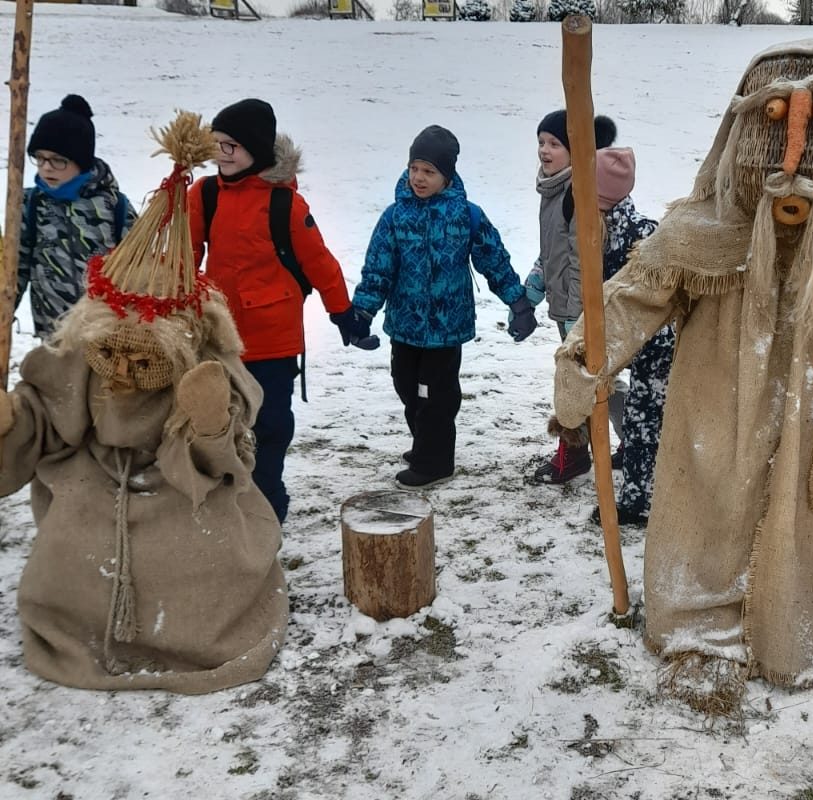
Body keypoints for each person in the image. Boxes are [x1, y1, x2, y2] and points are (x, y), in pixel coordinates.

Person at [554, 39, 813, 698]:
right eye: (774, 119)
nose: (795, 146)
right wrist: (585, 360)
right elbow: (632, 296)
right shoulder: (707, 225)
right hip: (718, 419)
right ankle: (702, 624)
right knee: (710, 518)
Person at [0, 112, 287, 693]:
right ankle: (77, 623)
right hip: (93, 475)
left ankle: (194, 631)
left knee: (205, 557)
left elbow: (231, 455)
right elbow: (45, 411)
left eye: (144, 360)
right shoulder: (82, 352)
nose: (126, 370)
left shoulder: (202, 364)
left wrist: (207, 422)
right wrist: (14, 419)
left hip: (176, 485)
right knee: (74, 544)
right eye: (115, 356)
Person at [188, 98, 369, 523]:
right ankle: (227, 491)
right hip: (218, 336)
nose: (220, 154)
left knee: (269, 424)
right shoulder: (205, 194)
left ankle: (268, 498)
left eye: (230, 146)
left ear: (256, 150)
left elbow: (319, 263)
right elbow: (187, 252)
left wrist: (344, 314)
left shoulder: (284, 204)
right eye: (216, 144)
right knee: (217, 420)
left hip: (272, 340)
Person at [349, 125, 536, 488]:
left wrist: (519, 303)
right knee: (406, 386)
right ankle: (425, 443)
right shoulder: (394, 216)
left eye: (429, 171)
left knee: (436, 395)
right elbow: (377, 270)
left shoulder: (467, 216)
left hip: (447, 327)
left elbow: (494, 260)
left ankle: (435, 462)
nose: (418, 177)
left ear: (446, 176)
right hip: (404, 323)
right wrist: (363, 313)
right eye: (414, 168)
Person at [526, 109, 618, 484]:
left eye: (554, 144)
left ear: (576, 150)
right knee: (589, 383)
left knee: (584, 383)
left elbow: (584, 260)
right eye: (541, 143)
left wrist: (579, 317)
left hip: (581, 313)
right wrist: (533, 287)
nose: (544, 151)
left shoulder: (579, 194)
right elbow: (552, 251)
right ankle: (606, 446)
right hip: (565, 307)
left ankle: (579, 454)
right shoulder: (553, 189)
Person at [583, 147, 674, 528]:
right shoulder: (600, 230)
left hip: (658, 347)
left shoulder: (641, 233)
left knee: (645, 422)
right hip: (633, 343)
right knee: (641, 421)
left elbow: (654, 294)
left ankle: (639, 503)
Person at [18, 94, 135, 340]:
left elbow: (137, 269)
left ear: (81, 161)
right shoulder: (31, 204)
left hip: (105, 332)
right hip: (52, 331)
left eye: (58, 160)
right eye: (40, 158)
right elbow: (15, 270)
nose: (46, 167)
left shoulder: (113, 205)